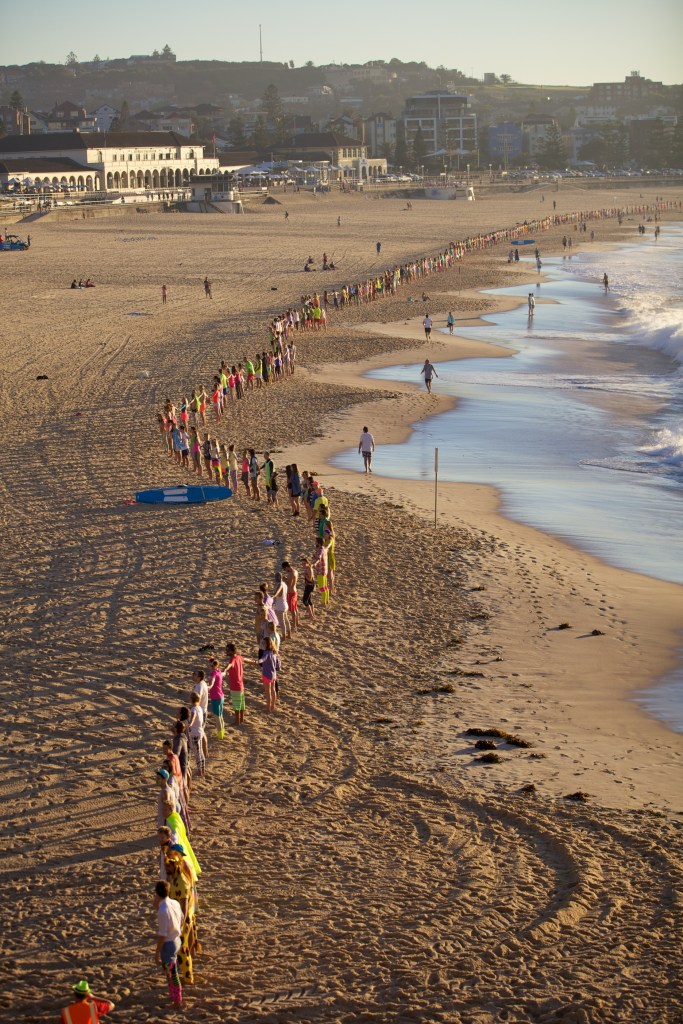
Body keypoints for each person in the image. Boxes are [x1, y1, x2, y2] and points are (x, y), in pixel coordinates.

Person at [154, 880, 184, 1006]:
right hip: (176, 940)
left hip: (168, 945)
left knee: (172, 972)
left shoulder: (162, 911)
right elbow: (182, 919)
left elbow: (162, 935)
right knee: (170, 971)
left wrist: (157, 953)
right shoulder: (175, 903)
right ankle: (173, 994)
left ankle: (177, 997)